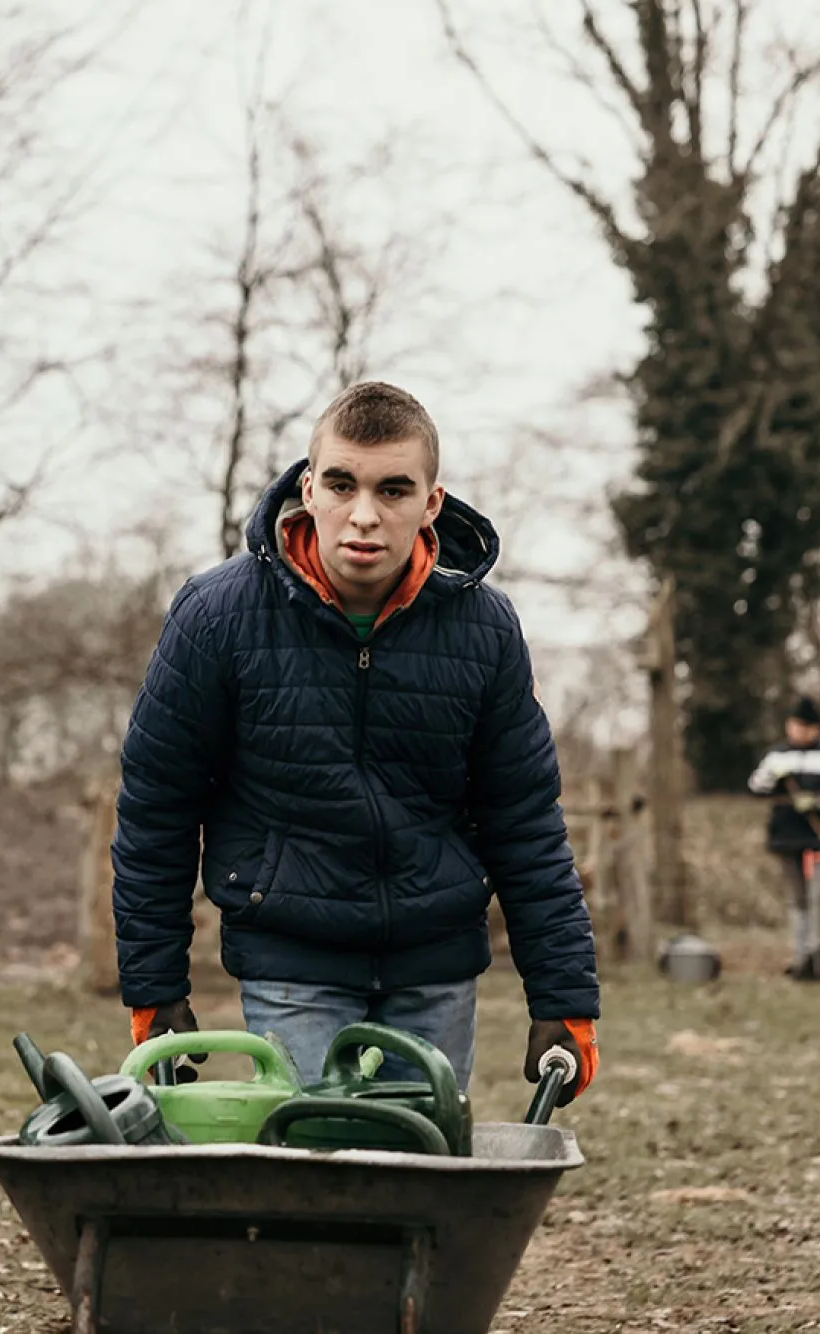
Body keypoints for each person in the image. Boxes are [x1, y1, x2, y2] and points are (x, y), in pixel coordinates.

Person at [108, 380, 599, 1106]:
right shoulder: (218, 618)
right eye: (341, 484)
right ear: (308, 488)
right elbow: (158, 809)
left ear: (432, 503)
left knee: (422, 1181)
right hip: (291, 959)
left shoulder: (484, 631)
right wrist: (155, 989)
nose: (362, 516)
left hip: (436, 967)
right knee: (318, 1181)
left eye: (393, 490)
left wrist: (563, 999)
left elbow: (523, 821)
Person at [745, 697, 820, 976]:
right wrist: (775, 778)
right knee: (799, 900)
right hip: (787, 838)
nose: (800, 731)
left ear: (816, 728)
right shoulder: (777, 756)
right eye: (795, 725)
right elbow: (756, 785)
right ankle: (802, 957)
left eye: (806, 726)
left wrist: (818, 802)